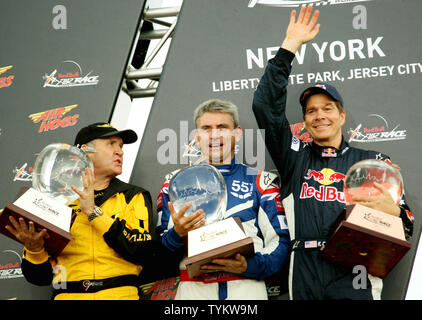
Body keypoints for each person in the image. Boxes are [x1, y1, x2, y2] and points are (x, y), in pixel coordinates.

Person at [252, 6, 414, 300]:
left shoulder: (372, 162)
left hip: (355, 267)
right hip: (304, 265)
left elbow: (406, 226)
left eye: (328, 108)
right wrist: (290, 46)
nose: (319, 115)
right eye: (311, 111)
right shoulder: (294, 157)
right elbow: (265, 107)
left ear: (341, 116)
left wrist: (395, 212)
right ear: (305, 120)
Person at [5, 122, 180, 300]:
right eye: (111, 144)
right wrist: (34, 249)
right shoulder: (55, 199)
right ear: (83, 151)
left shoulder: (133, 196)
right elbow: (39, 278)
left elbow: (141, 251)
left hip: (121, 294)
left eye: (120, 145)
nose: (120, 151)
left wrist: (93, 212)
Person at [156, 99, 290, 300]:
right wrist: (177, 234)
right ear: (196, 136)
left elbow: (280, 242)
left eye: (222, 127)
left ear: (237, 133)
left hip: (246, 290)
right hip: (193, 290)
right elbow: (158, 253)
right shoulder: (174, 183)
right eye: (206, 128)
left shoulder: (262, 181)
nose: (215, 134)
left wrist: (250, 266)